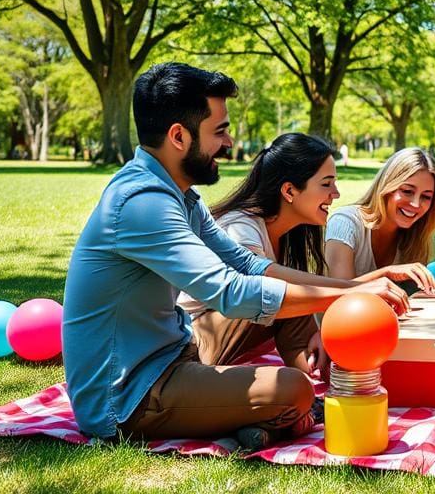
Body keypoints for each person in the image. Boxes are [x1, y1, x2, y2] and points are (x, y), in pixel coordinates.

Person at [62, 63, 409, 447]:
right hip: (128, 396)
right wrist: (349, 295)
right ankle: (283, 410)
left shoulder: (180, 195)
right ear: (179, 136)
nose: (229, 142)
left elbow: (249, 265)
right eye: (220, 131)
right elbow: (231, 292)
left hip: (179, 352)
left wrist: (353, 287)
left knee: (284, 296)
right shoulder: (142, 203)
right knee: (293, 389)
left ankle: (269, 414)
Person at [177, 133, 340, 393]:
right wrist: (355, 289)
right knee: (279, 293)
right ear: (289, 191)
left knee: (292, 298)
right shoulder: (239, 226)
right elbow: (254, 290)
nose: (336, 194)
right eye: (326, 184)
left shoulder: (287, 235)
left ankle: (313, 391)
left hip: (220, 343)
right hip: (189, 346)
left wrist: (319, 331)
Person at [325, 147, 435, 293]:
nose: (416, 204)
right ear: (386, 186)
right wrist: (387, 273)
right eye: (407, 191)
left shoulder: (416, 236)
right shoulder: (345, 222)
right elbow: (337, 291)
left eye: (426, 196)